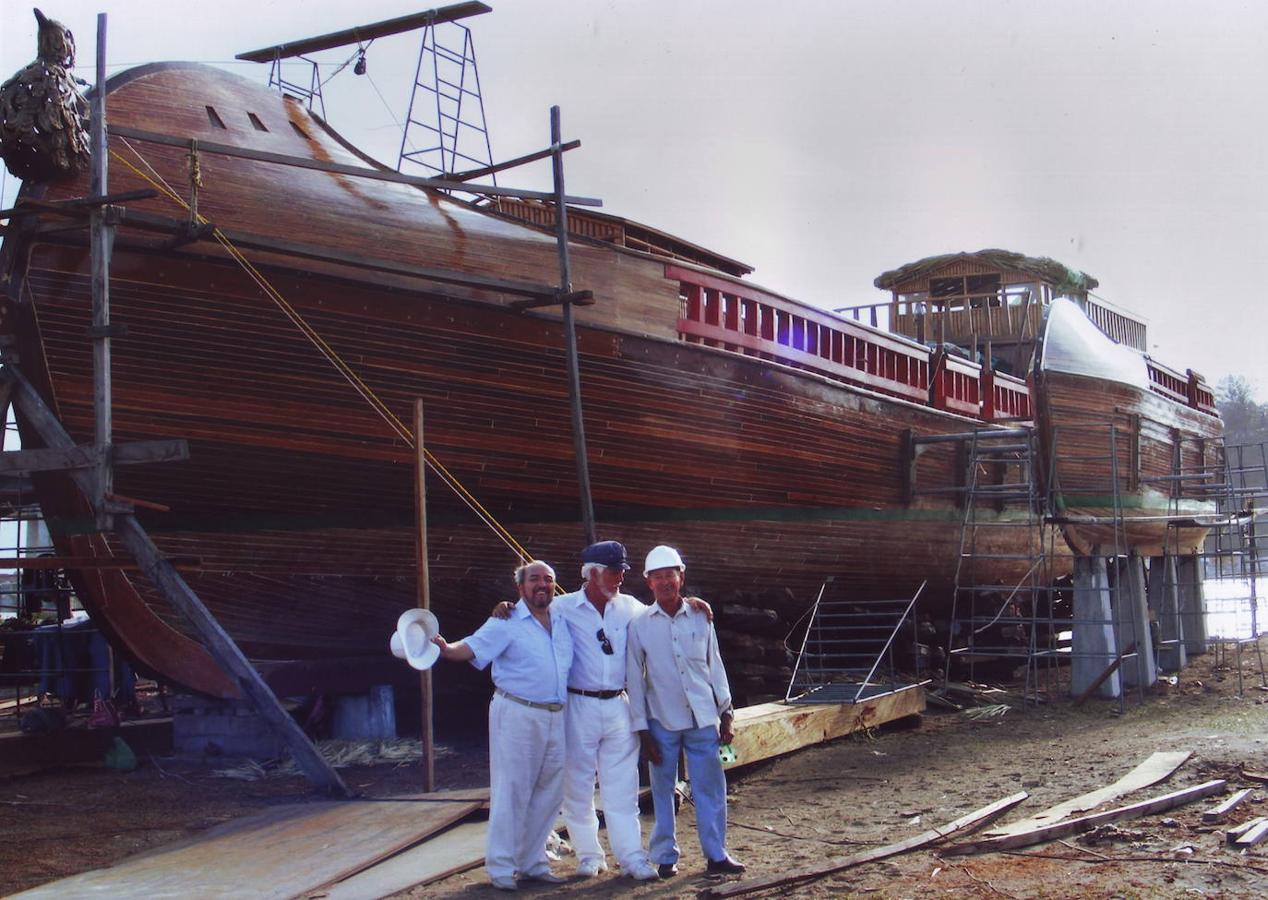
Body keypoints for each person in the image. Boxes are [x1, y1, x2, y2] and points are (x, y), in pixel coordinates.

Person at [489, 540, 712, 880]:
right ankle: (589, 856)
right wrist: (505, 606)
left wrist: (692, 603)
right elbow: (529, 612)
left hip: (619, 705)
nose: (620, 577)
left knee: (622, 787)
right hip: (577, 704)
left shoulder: (631, 608)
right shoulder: (562, 608)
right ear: (591, 574)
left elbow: (663, 614)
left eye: (622, 571)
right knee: (576, 787)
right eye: (613, 571)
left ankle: (632, 858)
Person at [432, 560, 573, 892]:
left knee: (551, 792)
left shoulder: (565, 617)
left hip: (556, 714)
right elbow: (468, 648)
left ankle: (533, 861)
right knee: (512, 790)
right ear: (520, 587)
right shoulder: (505, 622)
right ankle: (501, 868)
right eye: (535, 579)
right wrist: (444, 648)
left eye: (549, 580)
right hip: (517, 712)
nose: (542, 585)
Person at [626, 545, 745, 878]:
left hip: (703, 718)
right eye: (658, 577)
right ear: (648, 582)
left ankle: (716, 854)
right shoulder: (639, 625)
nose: (665, 582)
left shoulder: (701, 616)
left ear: (682, 577)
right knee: (663, 790)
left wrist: (727, 713)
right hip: (661, 721)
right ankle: (665, 856)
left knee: (711, 786)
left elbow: (714, 665)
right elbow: (634, 680)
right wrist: (642, 730)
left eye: (671, 575)